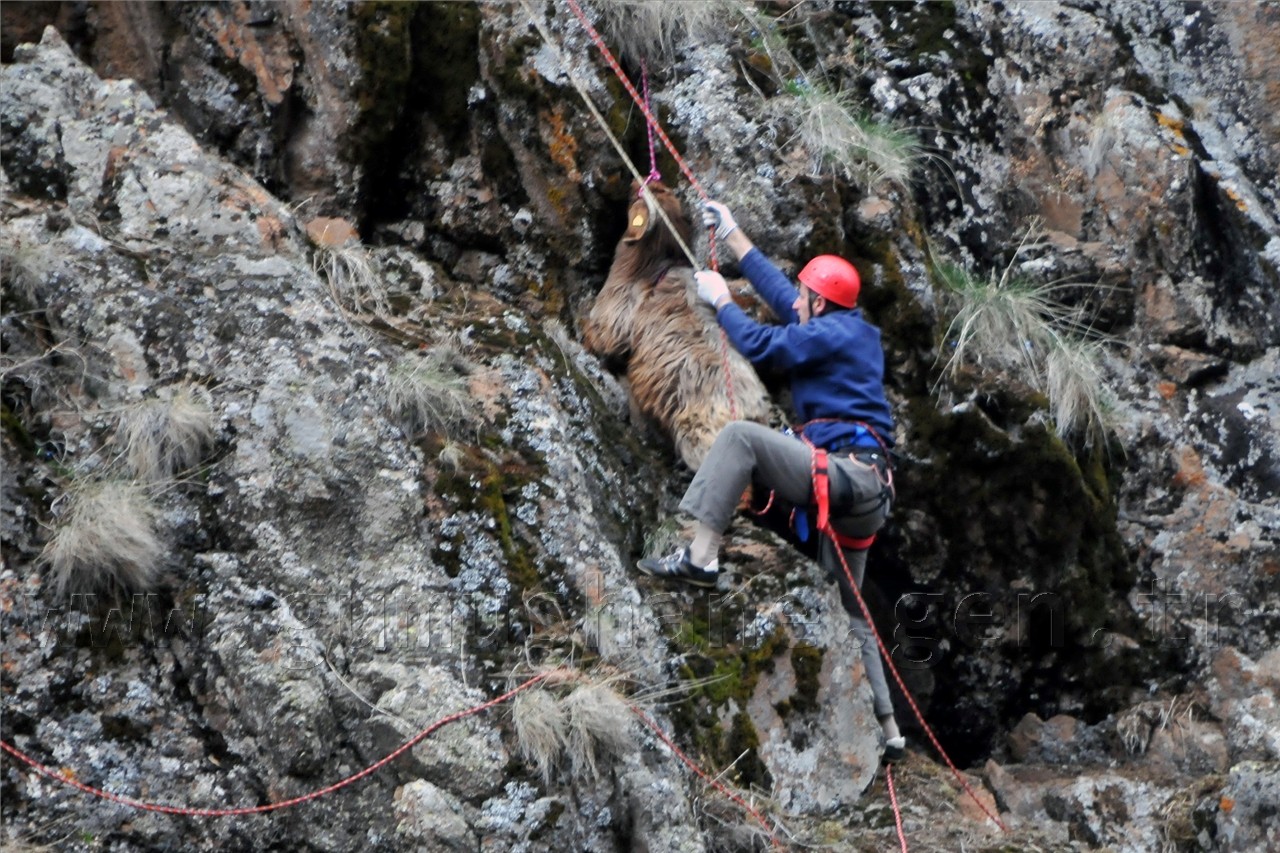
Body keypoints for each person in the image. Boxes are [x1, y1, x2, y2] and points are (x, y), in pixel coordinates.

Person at [636, 200, 905, 760]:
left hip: (845, 477)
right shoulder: (841, 327)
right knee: (850, 608)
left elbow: (760, 344)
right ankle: (890, 730)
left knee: (739, 438)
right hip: (864, 491)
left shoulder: (834, 335)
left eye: (807, 297)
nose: (795, 302)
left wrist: (723, 303)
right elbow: (786, 296)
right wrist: (733, 235)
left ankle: (702, 557)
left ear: (822, 304)